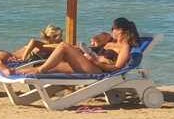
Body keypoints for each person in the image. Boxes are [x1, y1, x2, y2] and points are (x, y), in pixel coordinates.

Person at [10, 17, 140, 76]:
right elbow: (102, 36)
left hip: (98, 70)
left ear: (122, 31)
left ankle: (39, 70)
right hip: (89, 63)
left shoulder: (125, 48)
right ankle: (14, 72)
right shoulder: (111, 41)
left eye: (114, 29)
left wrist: (96, 61)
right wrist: (94, 43)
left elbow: (117, 69)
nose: (112, 31)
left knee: (64, 46)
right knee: (54, 67)